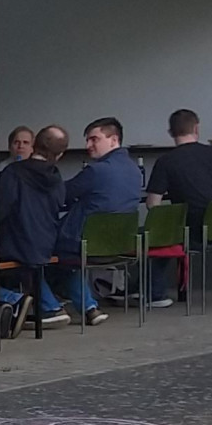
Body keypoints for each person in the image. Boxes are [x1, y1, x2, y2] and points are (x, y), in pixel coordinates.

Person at [143, 111, 212, 307]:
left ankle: (152, 292)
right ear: (196, 128)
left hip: (191, 234)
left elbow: (153, 204)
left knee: (158, 233)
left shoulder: (166, 161)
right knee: (171, 231)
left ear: (170, 132)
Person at [63, 117, 148, 315]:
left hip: (83, 243)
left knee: (38, 253)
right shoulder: (135, 171)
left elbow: (62, 194)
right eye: (87, 140)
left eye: (94, 139)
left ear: (114, 140)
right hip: (119, 243)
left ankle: (49, 307)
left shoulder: (96, 171)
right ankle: (87, 307)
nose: (88, 145)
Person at [0, 127, 74, 322]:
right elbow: (59, 204)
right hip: (47, 243)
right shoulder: (56, 176)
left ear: (34, 145)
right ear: (60, 155)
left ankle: (20, 301)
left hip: (13, 244)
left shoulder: (12, 172)